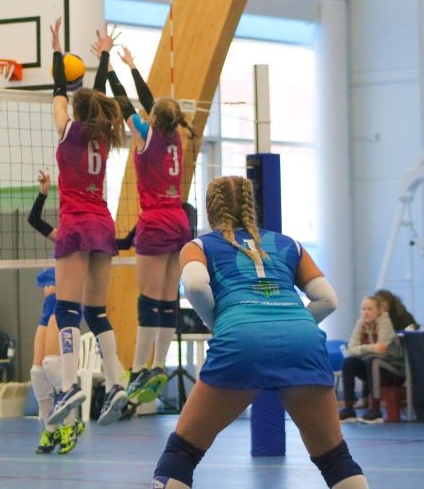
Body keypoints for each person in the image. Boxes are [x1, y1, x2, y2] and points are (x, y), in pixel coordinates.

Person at [152, 176, 368, 489]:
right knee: (335, 458)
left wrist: (217, 322)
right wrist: (290, 324)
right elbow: (328, 300)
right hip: (303, 339)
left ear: (211, 213)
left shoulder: (199, 246)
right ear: (252, 209)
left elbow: (195, 285)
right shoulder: (289, 244)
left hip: (241, 338)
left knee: (181, 452)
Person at [45, 17, 129, 427]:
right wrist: (105, 56)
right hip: (102, 223)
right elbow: (92, 96)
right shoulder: (104, 133)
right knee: (97, 312)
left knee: (66, 309)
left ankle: (68, 385)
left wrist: (57, 53)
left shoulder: (67, 130)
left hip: (76, 223)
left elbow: (59, 94)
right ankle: (115, 384)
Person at [112, 45, 195, 404]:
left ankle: (137, 370)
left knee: (148, 300)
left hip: (156, 222)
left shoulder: (145, 135)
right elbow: (150, 103)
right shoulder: (175, 136)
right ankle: (158, 364)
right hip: (179, 222)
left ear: (155, 118)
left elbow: (126, 104)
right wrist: (133, 66)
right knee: (167, 299)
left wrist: (111, 69)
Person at [27, 169, 85, 454]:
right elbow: (34, 220)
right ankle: (50, 430)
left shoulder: (84, 241)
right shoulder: (61, 237)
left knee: (52, 364)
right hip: (47, 305)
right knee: (37, 371)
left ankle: (70, 424)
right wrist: (43, 192)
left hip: (66, 304)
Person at [338, 295, 404, 424]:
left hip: (393, 370)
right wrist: (372, 347)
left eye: (370, 309)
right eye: (363, 309)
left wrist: (363, 349)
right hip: (372, 367)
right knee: (348, 362)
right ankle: (348, 409)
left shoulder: (384, 322)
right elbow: (350, 349)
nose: (365, 312)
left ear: (379, 311)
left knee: (372, 361)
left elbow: (382, 350)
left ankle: (375, 410)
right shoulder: (361, 323)